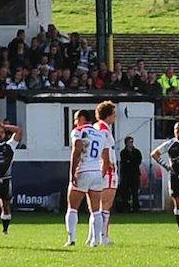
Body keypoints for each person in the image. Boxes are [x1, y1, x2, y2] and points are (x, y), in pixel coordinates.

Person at [69, 101, 117, 248]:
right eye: (114, 114)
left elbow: (78, 150)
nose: (116, 117)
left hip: (88, 169)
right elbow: (106, 155)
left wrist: (72, 172)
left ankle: (81, 238)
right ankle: (100, 237)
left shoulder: (88, 130)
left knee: (80, 207)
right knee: (101, 207)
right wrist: (104, 172)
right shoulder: (101, 130)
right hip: (100, 171)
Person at [63, 109, 95, 247]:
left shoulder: (78, 131)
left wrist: (72, 173)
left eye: (76, 119)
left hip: (83, 170)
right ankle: (94, 240)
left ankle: (71, 239)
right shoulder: (100, 133)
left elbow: (77, 151)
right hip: (97, 172)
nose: (75, 122)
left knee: (72, 207)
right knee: (97, 210)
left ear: (82, 118)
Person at [117, 136, 144, 214]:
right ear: (126, 143)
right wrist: (131, 162)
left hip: (135, 175)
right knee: (125, 193)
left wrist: (130, 161)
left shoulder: (137, 152)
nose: (131, 143)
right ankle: (125, 208)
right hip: (126, 176)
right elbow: (125, 162)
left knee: (135, 193)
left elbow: (138, 161)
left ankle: (136, 208)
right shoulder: (123, 152)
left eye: (132, 142)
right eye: (130, 142)